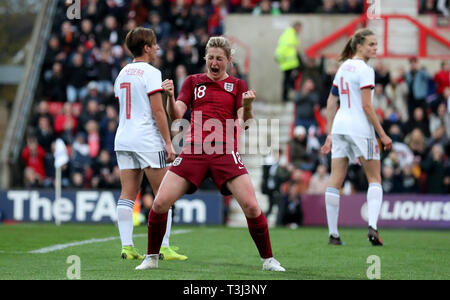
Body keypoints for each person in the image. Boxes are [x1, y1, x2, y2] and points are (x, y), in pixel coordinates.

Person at [136, 36, 285, 272]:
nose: (214, 63)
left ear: (228, 60)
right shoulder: (193, 82)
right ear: (206, 58)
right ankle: (151, 257)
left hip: (224, 151)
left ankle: (268, 260)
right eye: (211, 58)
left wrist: (247, 106)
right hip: (194, 150)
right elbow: (177, 115)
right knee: (161, 202)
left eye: (219, 59)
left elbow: (244, 124)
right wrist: (169, 96)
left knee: (252, 207)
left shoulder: (237, 85)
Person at [114, 27, 187, 261]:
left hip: (123, 137)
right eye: (154, 44)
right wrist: (168, 142)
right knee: (164, 194)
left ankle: (127, 247)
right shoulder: (151, 72)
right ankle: (163, 246)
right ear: (146, 48)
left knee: (127, 194)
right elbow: (157, 111)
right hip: (146, 138)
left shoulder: (123, 73)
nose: (157, 48)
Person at [320, 28, 392, 246]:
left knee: (336, 179)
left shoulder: (343, 68)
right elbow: (367, 106)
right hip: (360, 128)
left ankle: (333, 234)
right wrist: (383, 134)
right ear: (358, 45)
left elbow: (331, 103)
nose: (375, 48)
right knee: (375, 178)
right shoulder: (365, 69)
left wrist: (330, 133)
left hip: (341, 125)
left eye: (376, 44)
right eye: (371, 44)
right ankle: (373, 227)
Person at [275, 21, 302, 102]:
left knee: (286, 79)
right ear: (296, 27)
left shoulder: (288, 34)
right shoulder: (291, 35)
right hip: (289, 61)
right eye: (300, 29)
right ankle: (289, 90)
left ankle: (285, 96)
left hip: (287, 61)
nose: (300, 31)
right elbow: (290, 48)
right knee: (289, 79)